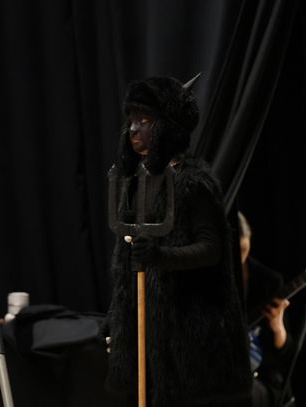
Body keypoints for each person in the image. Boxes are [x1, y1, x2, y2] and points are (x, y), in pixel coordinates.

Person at [104, 75, 252, 407]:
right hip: (146, 332)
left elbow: (211, 248)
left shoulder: (193, 183)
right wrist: (118, 314)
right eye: (131, 120)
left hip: (187, 337)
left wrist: (161, 256)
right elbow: (126, 258)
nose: (133, 129)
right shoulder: (133, 183)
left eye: (144, 120)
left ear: (166, 127)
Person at [239, 212, 296, 407]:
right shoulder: (211, 282)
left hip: (262, 378)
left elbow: (285, 355)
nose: (239, 256)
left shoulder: (269, 282)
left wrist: (278, 327)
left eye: (244, 249)